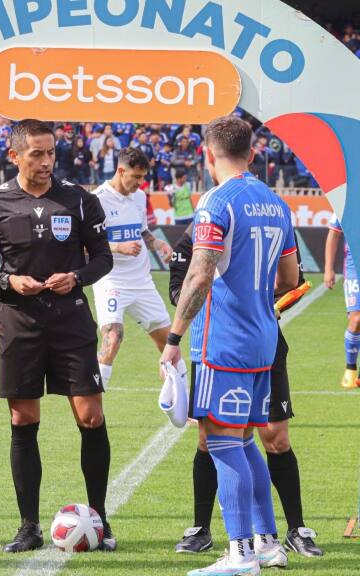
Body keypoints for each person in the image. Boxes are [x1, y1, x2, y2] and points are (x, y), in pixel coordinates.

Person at [159, 115, 299, 576]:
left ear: (206, 153)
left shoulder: (216, 202)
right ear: (253, 153)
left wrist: (175, 337)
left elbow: (199, 273)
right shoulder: (277, 203)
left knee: (221, 443)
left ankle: (239, 554)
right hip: (263, 338)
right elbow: (290, 279)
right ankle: (267, 542)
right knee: (245, 441)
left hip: (225, 342)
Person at [0, 119, 115, 553]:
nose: (46, 161)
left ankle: (100, 520)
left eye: (51, 152)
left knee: (90, 416)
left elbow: (104, 258)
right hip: (19, 324)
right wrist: (7, 283)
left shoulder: (79, 200)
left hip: (70, 322)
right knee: (23, 420)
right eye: (36, 153)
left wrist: (78, 276)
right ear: (15, 156)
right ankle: (28, 526)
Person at [170, 225, 324, 558]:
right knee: (212, 438)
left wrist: (261, 303)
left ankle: (289, 531)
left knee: (273, 437)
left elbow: (291, 280)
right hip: (217, 343)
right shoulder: (201, 227)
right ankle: (203, 529)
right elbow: (178, 288)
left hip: (262, 344)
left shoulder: (271, 221)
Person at [91, 147, 173, 390]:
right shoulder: (97, 200)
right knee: (113, 337)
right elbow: (83, 246)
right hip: (111, 281)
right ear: (120, 170)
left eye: (143, 177)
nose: (140, 183)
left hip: (142, 282)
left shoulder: (139, 197)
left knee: (169, 342)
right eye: (135, 177)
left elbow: (142, 231)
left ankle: (180, 404)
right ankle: (93, 402)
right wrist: (117, 247)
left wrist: (156, 243)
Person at [324, 213, 360, 388]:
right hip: (354, 269)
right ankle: (350, 368)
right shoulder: (345, 200)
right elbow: (334, 233)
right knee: (356, 320)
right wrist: (328, 269)